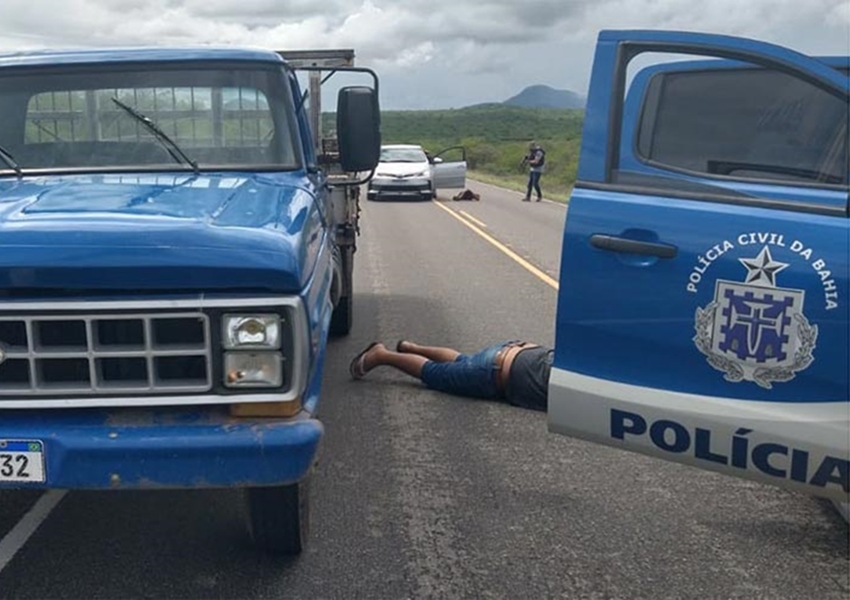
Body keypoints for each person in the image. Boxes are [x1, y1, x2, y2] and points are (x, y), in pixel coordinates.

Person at [349, 339, 553, 412]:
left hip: (515, 350)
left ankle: (411, 347)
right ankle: (382, 355)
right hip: (493, 373)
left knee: (463, 362)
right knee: (434, 374)